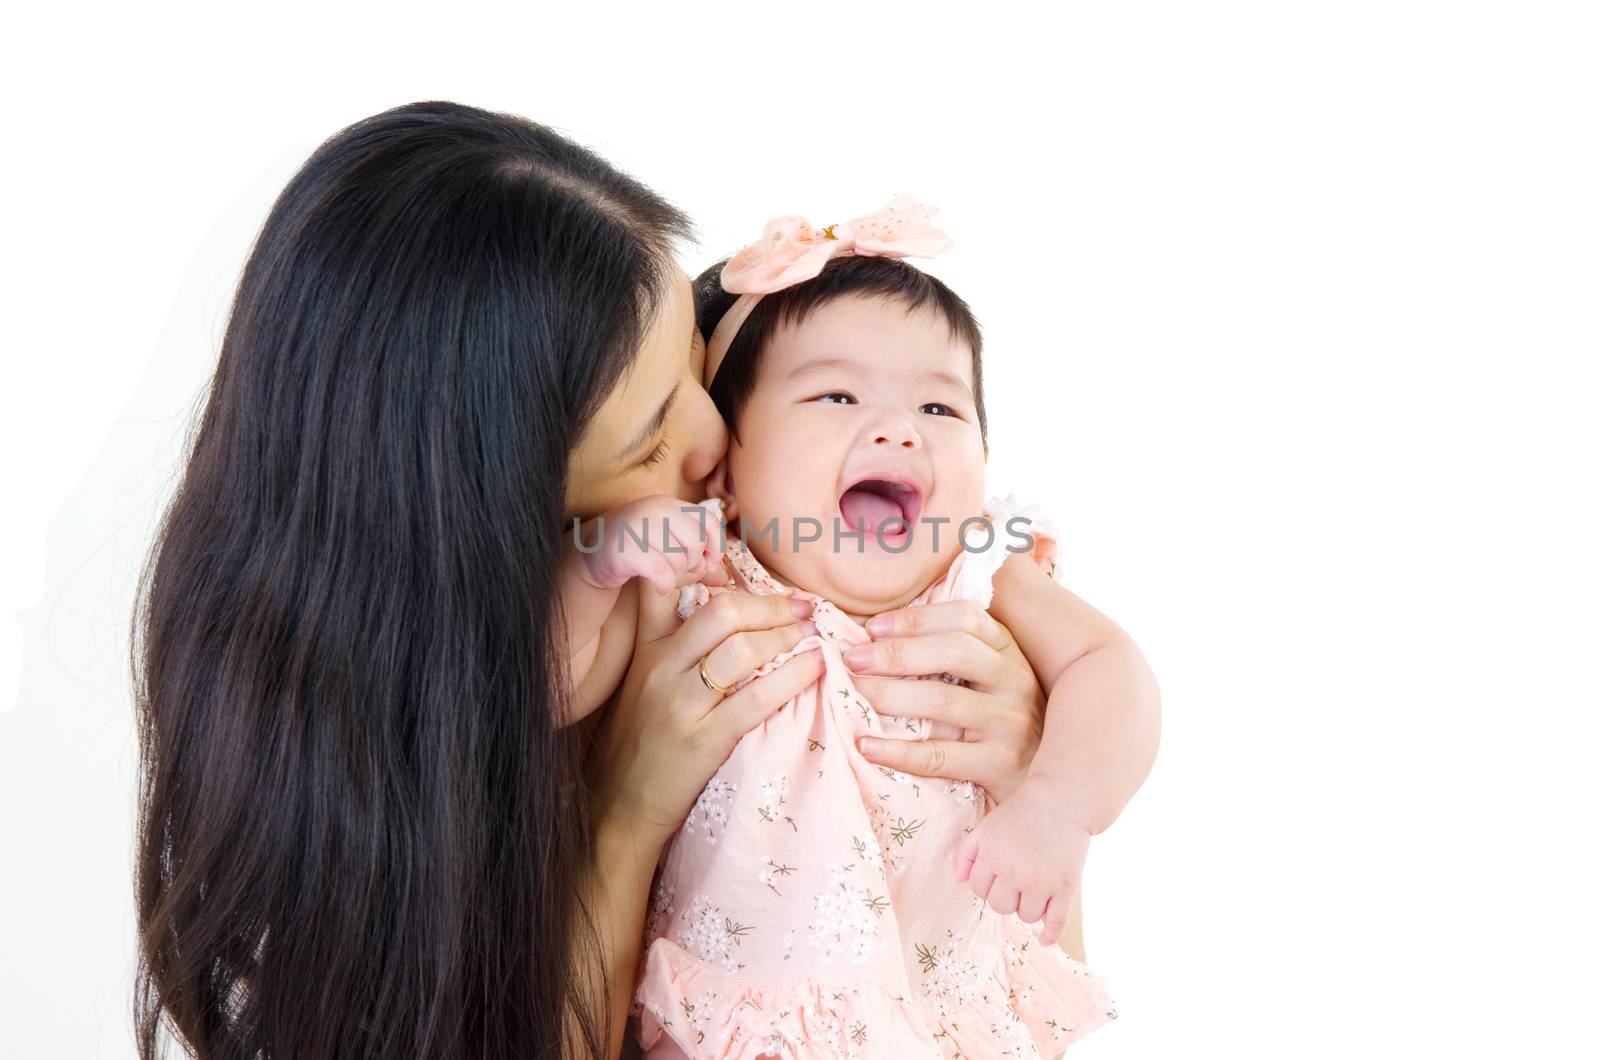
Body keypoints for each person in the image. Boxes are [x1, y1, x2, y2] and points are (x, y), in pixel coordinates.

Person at [131, 103, 1062, 1060]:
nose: (715, 445)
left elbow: (1028, 1003)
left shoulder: (863, 579)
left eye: (697, 369)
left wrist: (1027, 782)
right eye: (652, 436)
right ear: (493, 551)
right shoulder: (456, 761)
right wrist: (626, 812)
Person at [556, 202, 1160, 1057]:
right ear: (726, 467)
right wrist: (594, 570)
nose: (897, 428)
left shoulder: (979, 571)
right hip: (736, 1023)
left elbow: (1113, 668)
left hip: (940, 1019)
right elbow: (549, 685)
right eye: (836, 394)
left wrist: (1058, 804)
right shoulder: (694, 577)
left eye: (942, 409)